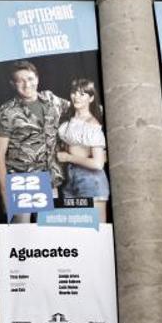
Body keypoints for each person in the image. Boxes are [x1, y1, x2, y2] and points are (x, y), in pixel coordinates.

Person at [0, 60, 68, 221]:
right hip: (23, 181)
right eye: (20, 81)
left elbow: (81, 111)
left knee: (51, 232)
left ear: (37, 79)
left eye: (30, 78)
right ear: (13, 84)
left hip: (51, 178)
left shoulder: (52, 100)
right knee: (22, 233)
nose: (27, 84)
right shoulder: (6, 112)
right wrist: (4, 194)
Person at [55, 78, 108, 221]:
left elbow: (98, 163)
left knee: (97, 230)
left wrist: (68, 157)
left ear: (91, 98)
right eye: (74, 92)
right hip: (69, 179)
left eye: (82, 94)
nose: (76, 96)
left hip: (91, 180)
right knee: (76, 232)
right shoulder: (68, 117)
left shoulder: (92, 125)